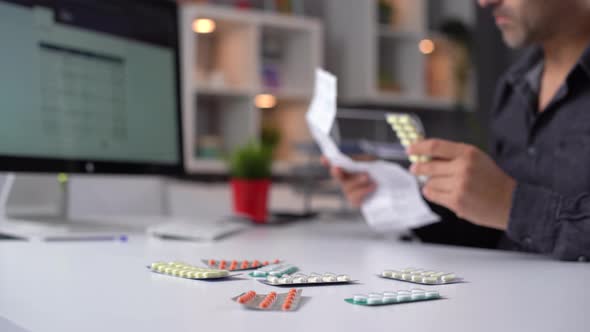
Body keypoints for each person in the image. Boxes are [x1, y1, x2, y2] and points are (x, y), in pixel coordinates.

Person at [324, 0, 590, 261]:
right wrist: (404, 194)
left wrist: (511, 205)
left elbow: (511, 212)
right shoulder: (513, 87)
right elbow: (496, 235)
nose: (485, 2)